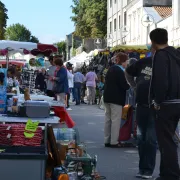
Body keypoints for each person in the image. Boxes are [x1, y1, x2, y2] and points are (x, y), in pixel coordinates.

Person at [149, 28, 180, 180]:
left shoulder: (160, 56)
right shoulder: (176, 54)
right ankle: (167, 172)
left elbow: (160, 80)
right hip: (177, 102)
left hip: (166, 103)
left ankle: (170, 174)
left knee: (166, 142)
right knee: (169, 140)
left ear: (153, 41)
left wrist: (157, 101)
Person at [126, 55, 157, 179]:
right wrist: (134, 86)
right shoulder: (143, 62)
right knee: (141, 139)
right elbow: (128, 72)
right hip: (141, 105)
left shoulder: (164, 63)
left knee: (150, 139)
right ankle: (142, 169)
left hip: (154, 107)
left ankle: (148, 170)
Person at [103, 52, 129, 148]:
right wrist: (129, 85)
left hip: (107, 97)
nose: (127, 63)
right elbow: (125, 86)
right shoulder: (120, 71)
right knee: (115, 120)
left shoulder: (111, 69)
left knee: (108, 119)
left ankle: (106, 140)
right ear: (123, 61)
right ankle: (114, 141)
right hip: (116, 99)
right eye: (126, 61)